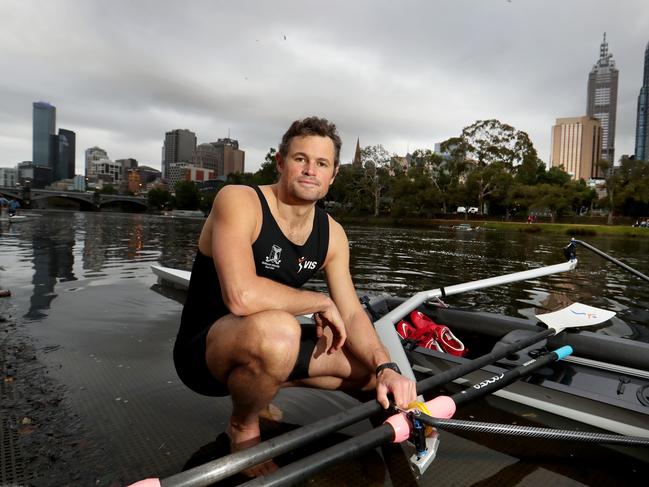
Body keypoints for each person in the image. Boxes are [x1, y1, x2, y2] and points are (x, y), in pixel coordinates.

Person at [173, 116, 416, 476]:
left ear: (333, 175)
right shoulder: (240, 200)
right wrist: (319, 302)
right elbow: (241, 296)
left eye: (321, 163)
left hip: (268, 346)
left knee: (366, 370)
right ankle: (244, 424)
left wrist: (387, 367)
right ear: (281, 162)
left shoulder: (332, 235)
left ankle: (264, 385)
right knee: (280, 330)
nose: (309, 170)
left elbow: (351, 314)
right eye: (300, 159)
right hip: (204, 355)